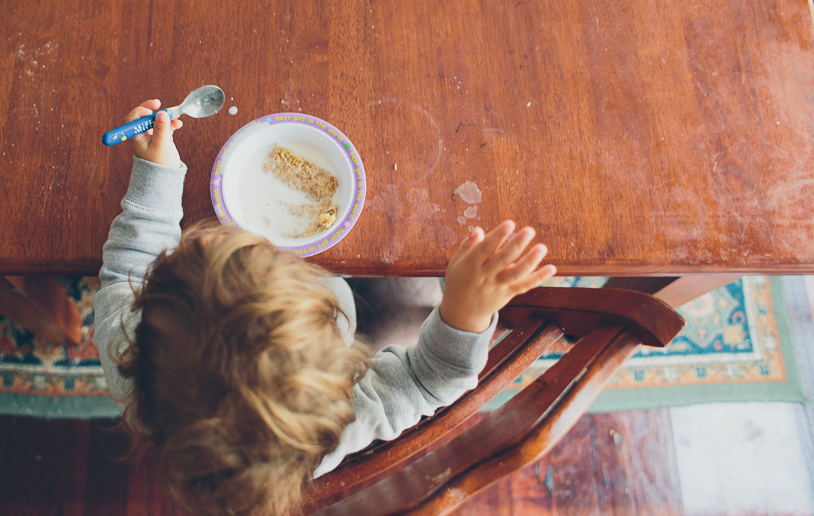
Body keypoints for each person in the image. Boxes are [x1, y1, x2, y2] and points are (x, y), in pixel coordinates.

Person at [93, 99, 557, 516]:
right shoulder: (328, 430)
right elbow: (425, 379)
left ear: (146, 311)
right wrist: (464, 311)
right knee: (415, 296)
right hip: (370, 326)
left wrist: (157, 174)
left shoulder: (127, 345)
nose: (272, 250)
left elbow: (125, 268)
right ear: (341, 372)